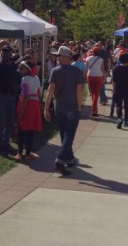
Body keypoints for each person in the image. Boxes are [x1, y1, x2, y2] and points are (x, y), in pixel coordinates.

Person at [44, 45, 84, 176]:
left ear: (65, 57)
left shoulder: (55, 71)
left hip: (59, 107)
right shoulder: (76, 71)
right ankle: (60, 162)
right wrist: (79, 106)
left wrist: (46, 108)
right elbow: (79, 90)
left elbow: (51, 91)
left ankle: (69, 159)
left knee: (64, 135)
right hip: (72, 107)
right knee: (69, 136)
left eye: (59, 56)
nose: (58, 58)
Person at [0, 45, 20, 155]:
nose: (6, 55)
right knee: (0, 121)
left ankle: (5, 143)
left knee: (9, 121)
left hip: (11, 96)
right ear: (1, 54)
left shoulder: (13, 66)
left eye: (8, 53)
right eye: (4, 53)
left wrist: (15, 89)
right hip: (0, 97)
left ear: (10, 54)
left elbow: (16, 79)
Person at [14, 61, 42, 161]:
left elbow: (25, 95)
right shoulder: (37, 78)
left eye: (21, 68)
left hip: (26, 105)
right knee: (31, 130)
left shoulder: (25, 79)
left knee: (22, 129)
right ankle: (28, 153)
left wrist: (22, 110)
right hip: (34, 105)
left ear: (27, 69)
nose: (20, 70)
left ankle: (20, 153)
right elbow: (38, 93)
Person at [112, 52, 128, 129]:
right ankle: (126, 121)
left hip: (118, 89)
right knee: (127, 105)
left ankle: (119, 118)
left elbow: (114, 81)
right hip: (127, 89)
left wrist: (114, 89)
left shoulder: (116, 68)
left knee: (118, 105)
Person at [85, 47, 106, 117]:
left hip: (90, 76)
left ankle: (94, 110)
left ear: (93, 52)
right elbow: (102, 69)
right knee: (96, 94)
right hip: (98, 77)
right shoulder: (101, 59)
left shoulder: (88, 59)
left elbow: (86, 68)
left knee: (93, 94)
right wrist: (105, 77)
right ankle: (94, 111)